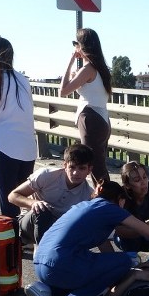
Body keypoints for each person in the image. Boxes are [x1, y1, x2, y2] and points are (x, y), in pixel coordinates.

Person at [26, 181, 149, 296]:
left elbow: (106, 251)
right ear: (120, 200)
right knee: (125, 260)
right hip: (61, 264)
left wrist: (117, 271)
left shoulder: (84, 206)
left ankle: (46, 289)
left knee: (104, 265)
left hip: (41, 265)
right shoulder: (111, 208)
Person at [0, 36, 37, 219]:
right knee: (23, 197)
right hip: (28, 146)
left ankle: (12, 235)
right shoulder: (23, 80)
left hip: (5, 145)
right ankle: (26, 232)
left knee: (8, 198)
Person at [7, 144, 93, 244]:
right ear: (65, 166)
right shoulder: (47, 175)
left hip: (59, 230)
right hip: (29, 224)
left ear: (89, 170)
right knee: (42, 210)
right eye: (72, 167)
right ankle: (41, 250)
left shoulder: (89, 195)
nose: (75, 173)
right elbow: (12, 196)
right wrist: (33, 203)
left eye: (82, 168)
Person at [59, 28, 111, 185]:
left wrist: (70, 61)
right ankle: (106, 196)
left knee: (94, 166)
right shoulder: (101, 68)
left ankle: (105, 197)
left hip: (90, 117)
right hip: (103, 118)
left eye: (76, 44)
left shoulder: (88, 69)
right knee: (99, 164)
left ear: (81, 46)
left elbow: (63, 91)